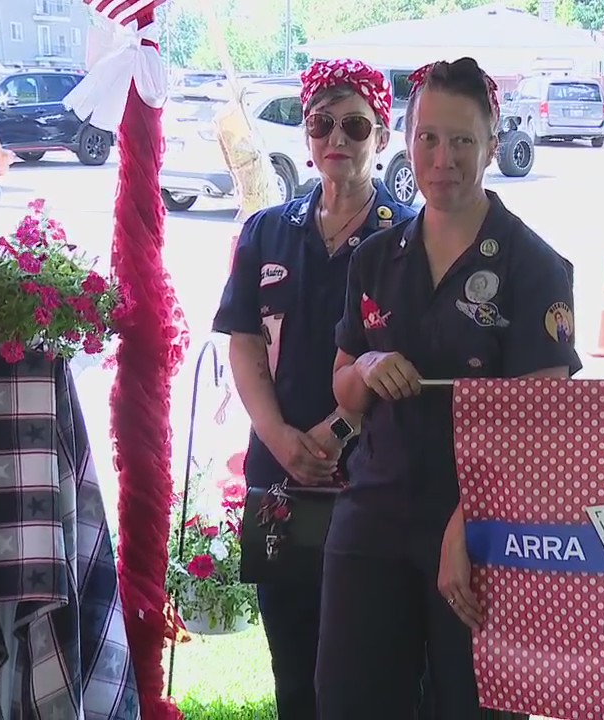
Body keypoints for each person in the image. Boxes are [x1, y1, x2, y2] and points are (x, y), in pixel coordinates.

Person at [320, 57, 580, 719]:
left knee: (475, 707)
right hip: (373, 517)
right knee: (352, 701)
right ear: (405, 141)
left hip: (483, 530)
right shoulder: (376, 256)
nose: (443, 158)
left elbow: (539, 423)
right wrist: (368, 371)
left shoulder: (534, 266)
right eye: (428, 137)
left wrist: (467, 531)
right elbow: (345, 391)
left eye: (462, 139)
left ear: (493, 146)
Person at [211, 57, 414, 720]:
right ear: (305, 132)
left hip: (374, 487)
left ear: (382, 136)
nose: (337, 139)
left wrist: (336, 433)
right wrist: (278, 436)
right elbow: (243, 339)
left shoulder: (410, 237)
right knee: (292, 666)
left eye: (354, 125)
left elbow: (414, 354)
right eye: (322, 122)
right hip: (280, 482)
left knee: (372, 666)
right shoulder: (267, 229)